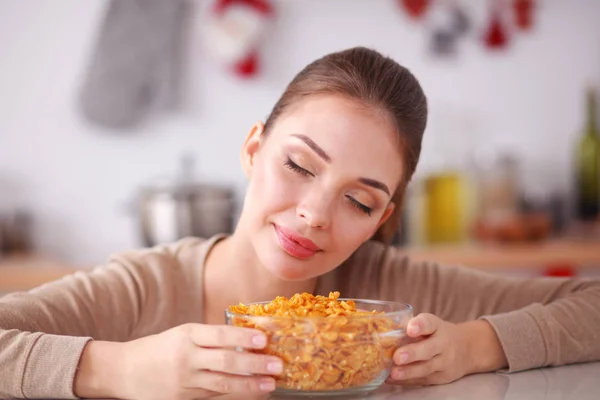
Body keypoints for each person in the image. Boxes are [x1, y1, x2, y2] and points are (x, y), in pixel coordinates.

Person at [1, 47, 599, 400]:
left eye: (359, 203)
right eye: (297, 165)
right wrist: (120, 368)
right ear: (254, 149)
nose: (314, 214)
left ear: (383, 218)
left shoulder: (396, 304)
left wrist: (477, 344)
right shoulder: (140, 291)